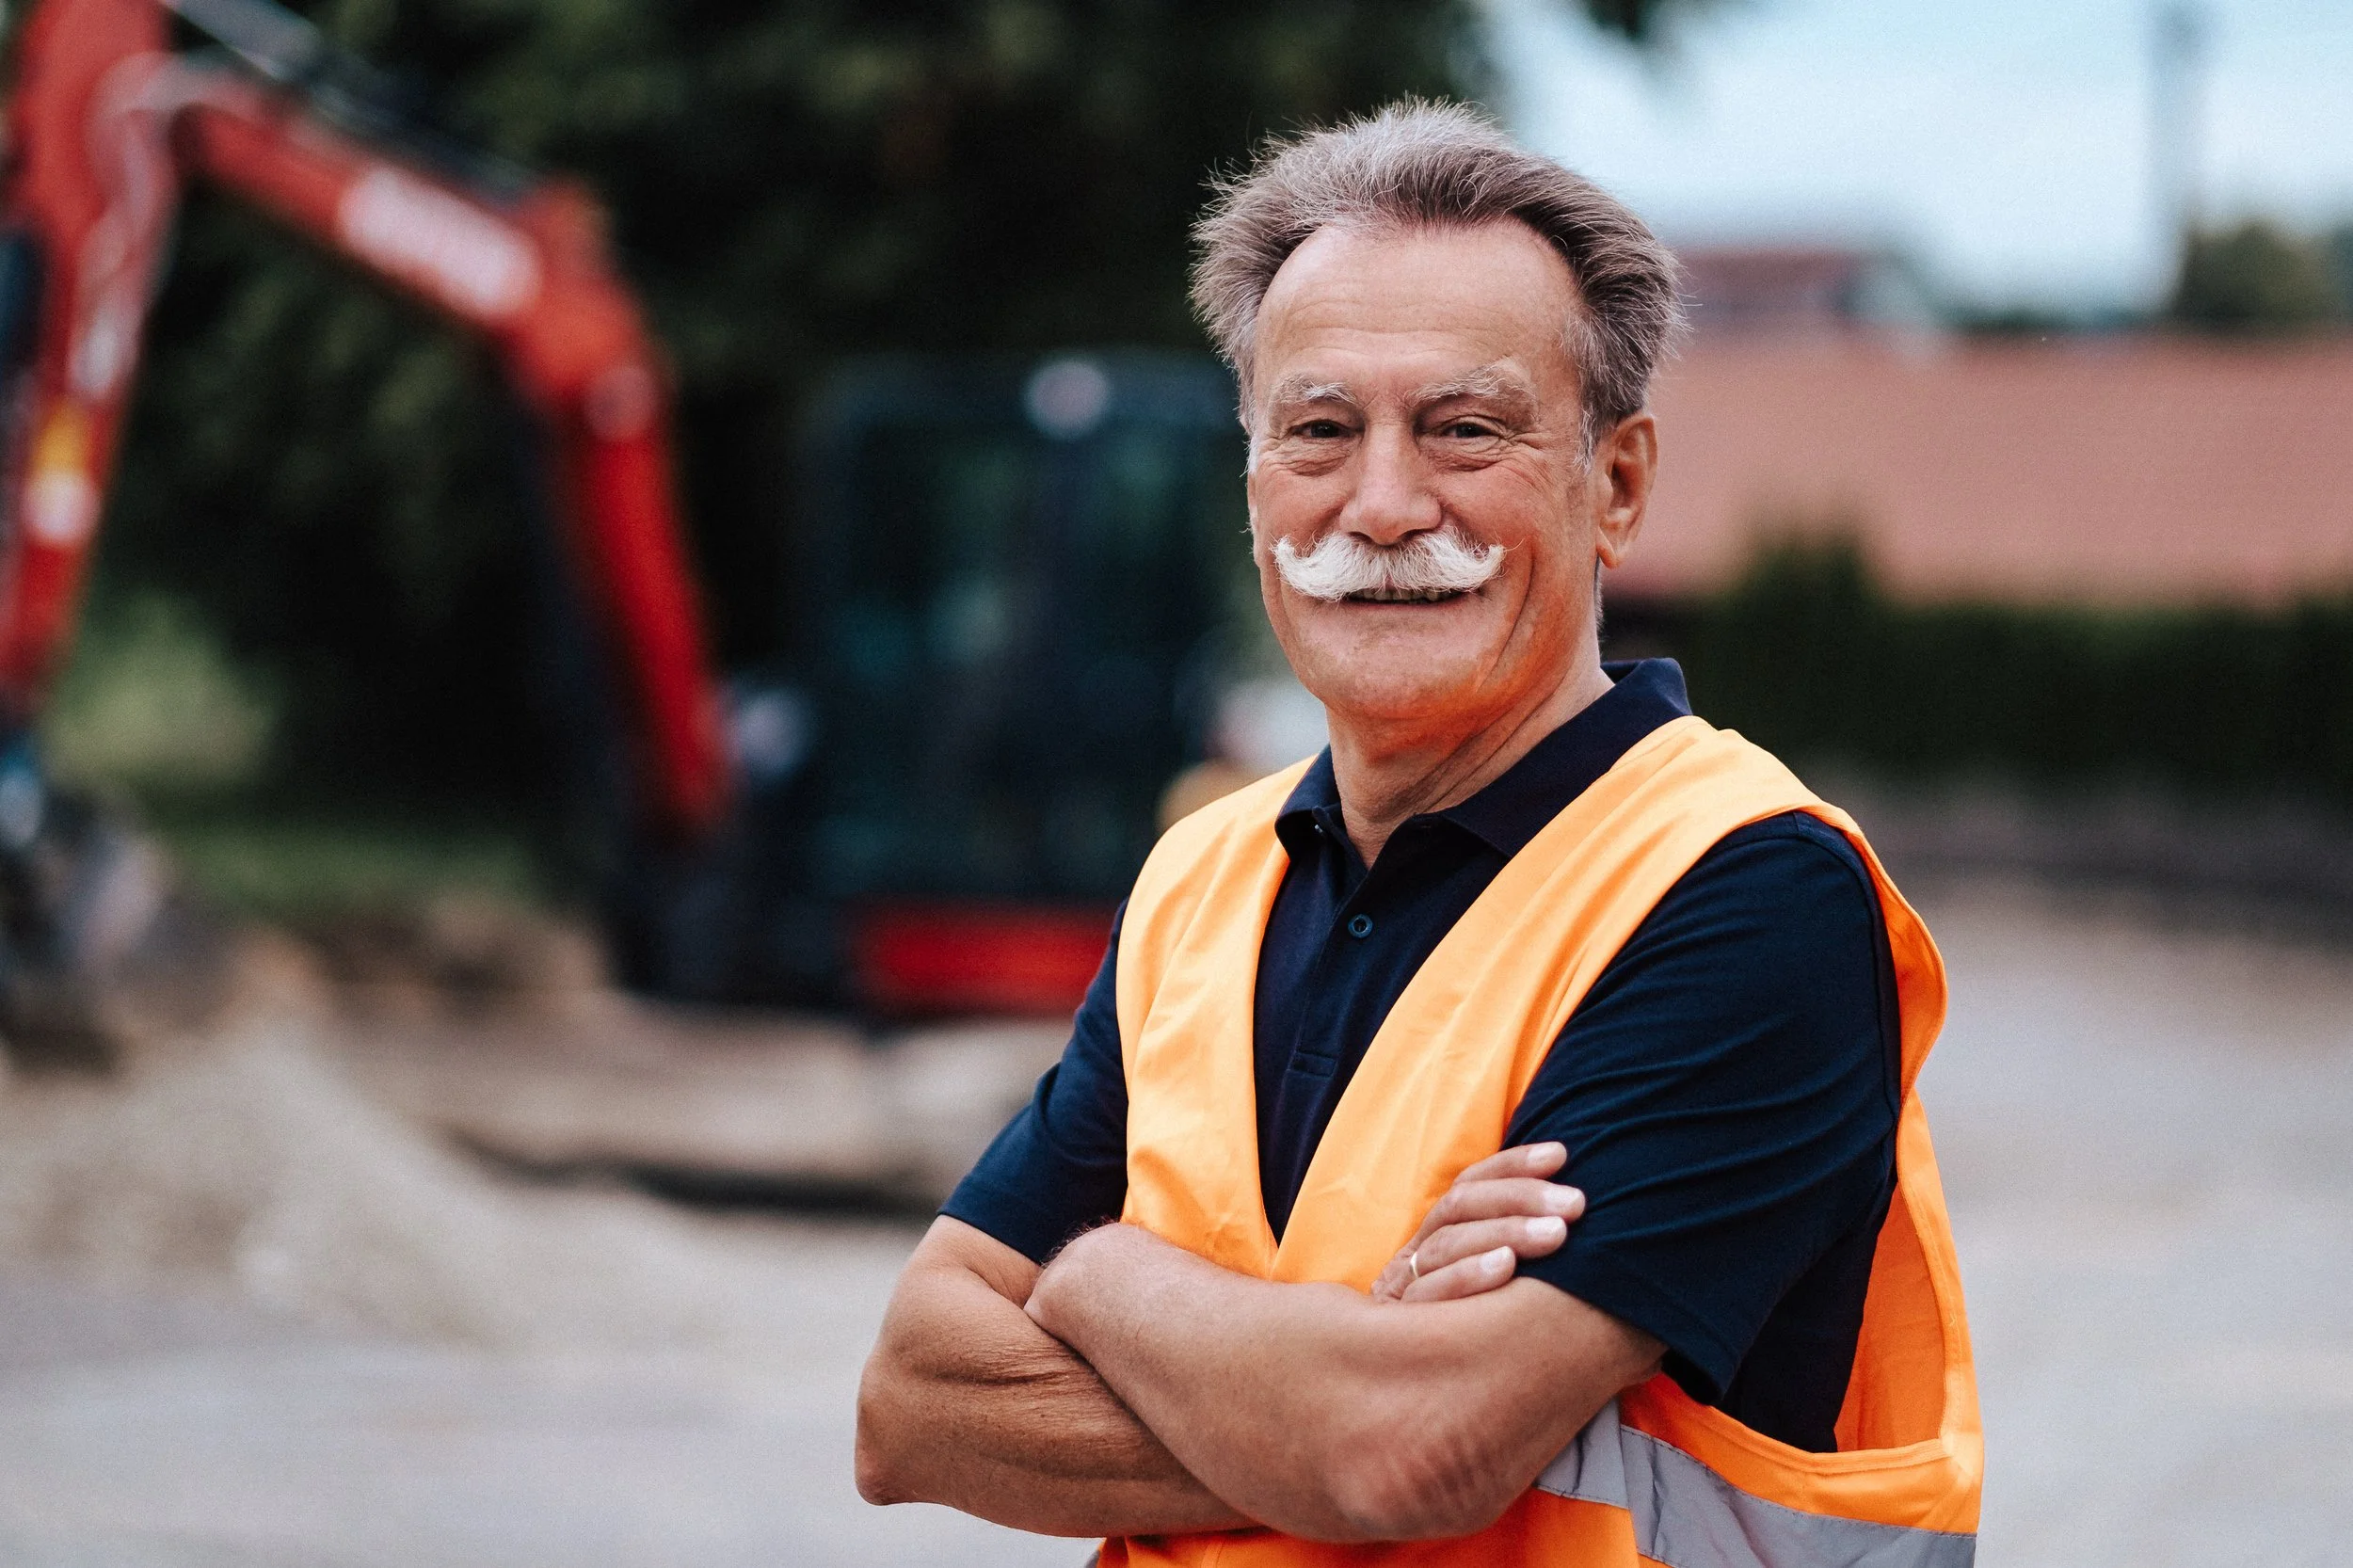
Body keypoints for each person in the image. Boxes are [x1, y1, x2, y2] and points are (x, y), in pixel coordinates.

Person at [856, 102, 1979, 1565]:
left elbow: (1404, 1449)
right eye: (1319, 430)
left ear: (1617, 485)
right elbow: (907, 1407)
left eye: (1465, 429)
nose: (1382, 505)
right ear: (1255, 481)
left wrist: (1101, 1274)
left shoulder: (1746, 889)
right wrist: (1324, 1383)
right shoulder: (1207, 876)